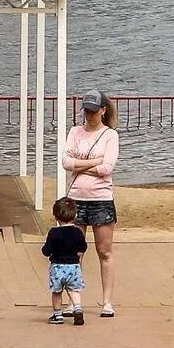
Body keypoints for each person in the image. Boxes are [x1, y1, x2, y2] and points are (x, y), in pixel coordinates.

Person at [61, 89, 120, 317]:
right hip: (76, 199)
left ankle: (107, 302)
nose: (89, 115)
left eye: (94, 111)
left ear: (103, 111)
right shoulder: (75, 132)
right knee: (75, 252)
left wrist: (81, 163)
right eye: (86, 111)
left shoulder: (110, 136)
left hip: (101, 200)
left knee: (104, 251)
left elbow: (108, 168)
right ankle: (74, 301)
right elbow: (66, 162)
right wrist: (94, 161)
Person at [41, 197, 88, 325]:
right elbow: (83, 246)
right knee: (73, 290)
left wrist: (47, 251)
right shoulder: (77, 232)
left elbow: (47, 250)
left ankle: (57, 315)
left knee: (57, 291)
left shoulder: (54, 233)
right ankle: (78, 309)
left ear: (55, 217)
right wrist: (78, 252)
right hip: (74, 266)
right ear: (75, 215)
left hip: (57, 267)